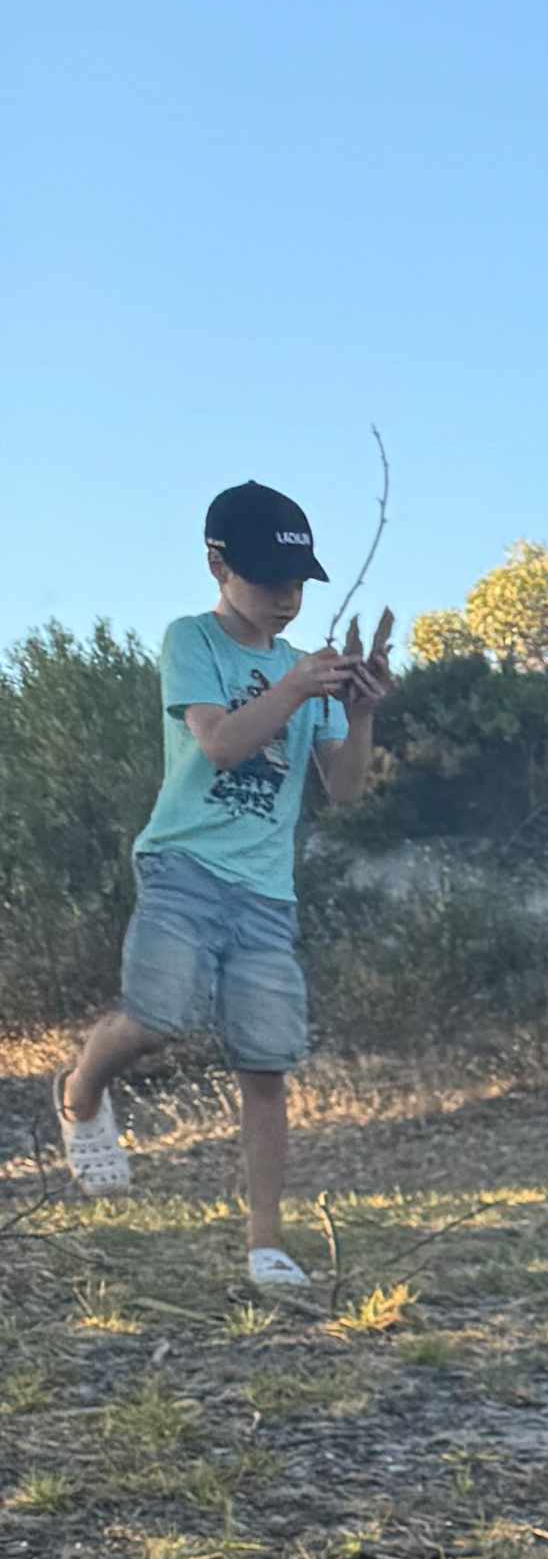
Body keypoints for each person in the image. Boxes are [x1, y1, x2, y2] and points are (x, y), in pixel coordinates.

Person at [54, 479, 391, 1299]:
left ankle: (265, 1246)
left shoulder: (305, 673)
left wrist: (365, 707)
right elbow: (218, 747)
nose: (286, 597)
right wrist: (297, 688)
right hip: (183, 863)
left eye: (298, 582)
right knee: (159, 1015)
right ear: (217, 564)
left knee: (266, 1062)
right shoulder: (194, 641)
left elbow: (343, 789)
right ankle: (82, 1087)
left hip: (265, 891)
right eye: (267, 579)